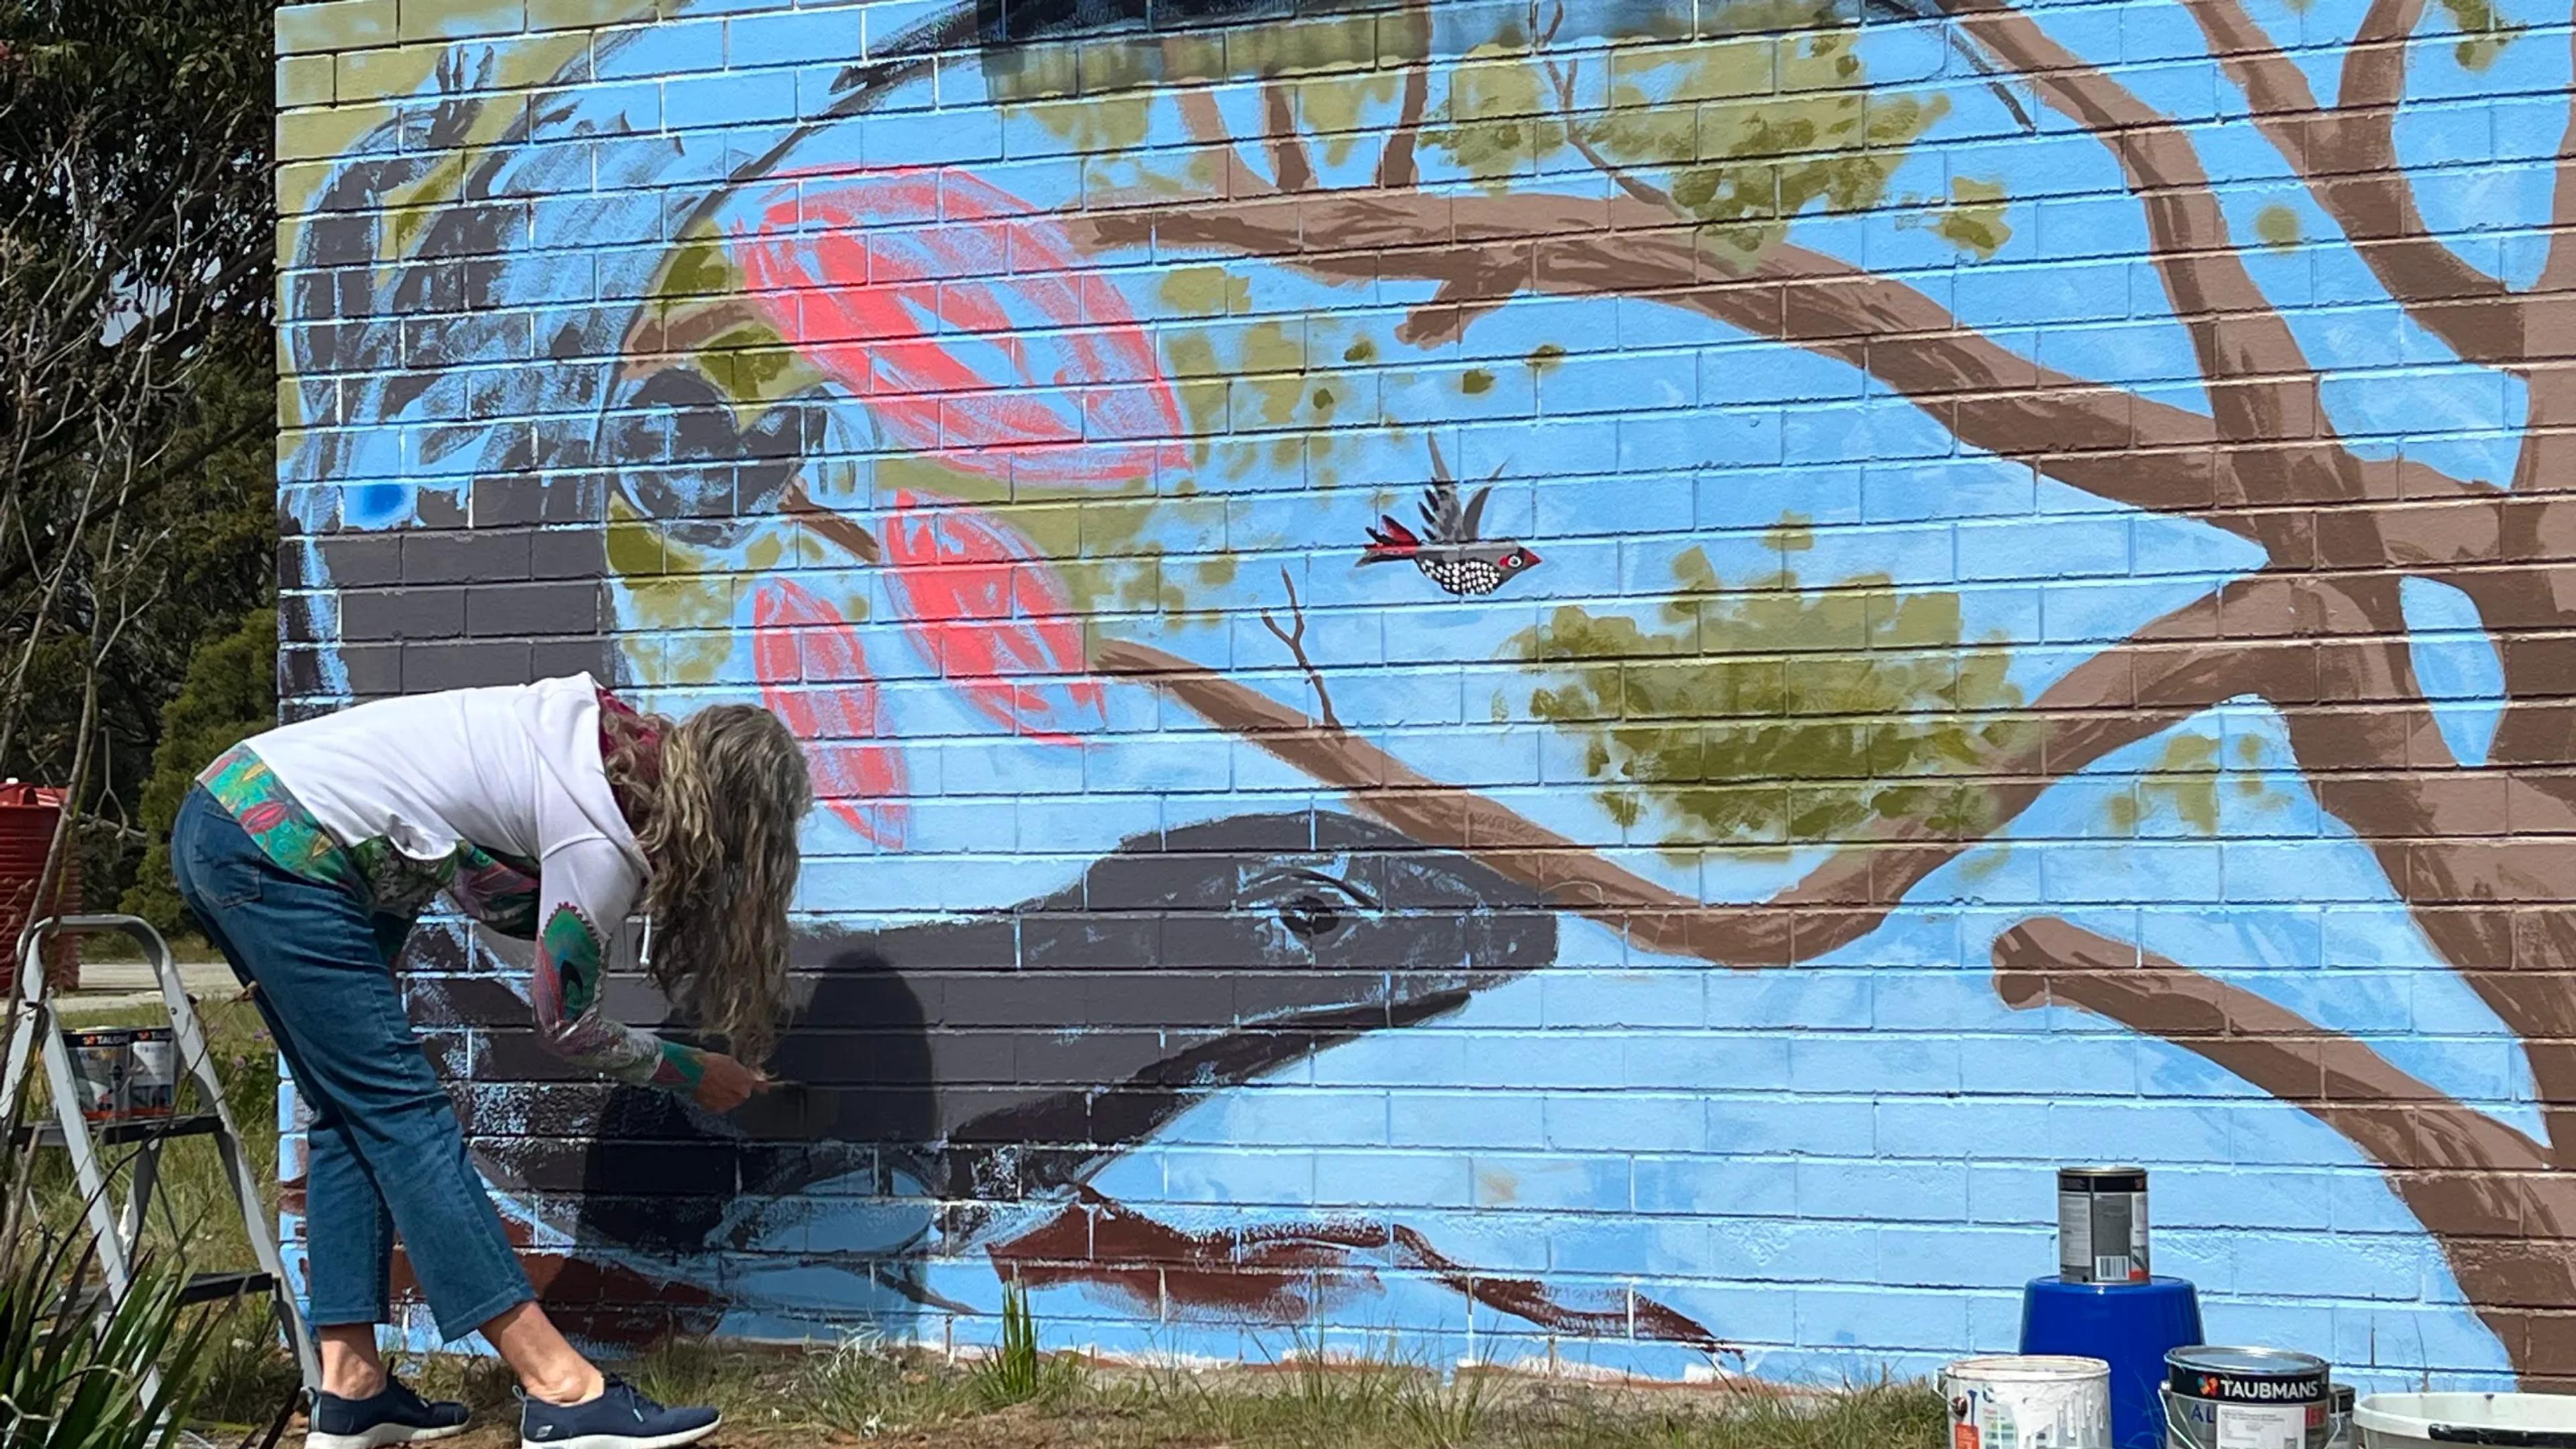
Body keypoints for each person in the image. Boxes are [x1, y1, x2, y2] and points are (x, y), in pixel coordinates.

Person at [168, 674, 811, 1449]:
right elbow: (565, 1025)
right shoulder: (596, 837)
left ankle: (351, 1388)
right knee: (407, 1117)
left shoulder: (603, 742)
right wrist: (691, 1071)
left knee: (348, 1111)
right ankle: (562, 1390)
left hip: (240, 815)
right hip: (278, 846)